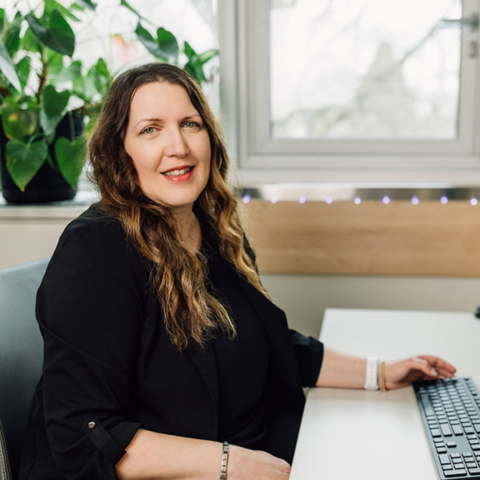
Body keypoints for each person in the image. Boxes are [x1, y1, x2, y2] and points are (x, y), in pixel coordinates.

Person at [19, 63, 456, 480]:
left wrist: (379, 373)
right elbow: (83, 433)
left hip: (250, 456)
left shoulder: (212, 229)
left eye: (190, 124)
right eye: (151, 129)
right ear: (119, 152)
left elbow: (267, 343)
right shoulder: (96, 251)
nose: (180, 146)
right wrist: (228, 463)